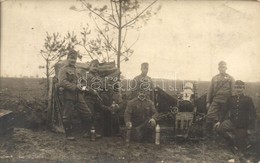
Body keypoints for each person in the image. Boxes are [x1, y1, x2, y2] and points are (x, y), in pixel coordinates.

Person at [58, 49, 92, 141]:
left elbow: (81, 81)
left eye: (75, 58)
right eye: (71, 58)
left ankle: (87, 132)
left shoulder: (77, 70)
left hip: (78, 95)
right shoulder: (63, 70)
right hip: (68, 95)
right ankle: (69, 134)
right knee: (67, 115)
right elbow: (62, 82)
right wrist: (74, 87)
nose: (73, 60)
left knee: (87, 112)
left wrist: (83, 85)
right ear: (68, 58)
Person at [216, 80, 256, 152]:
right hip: (232, 122)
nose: (239, 89)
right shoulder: (231, 99)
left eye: (240, 88)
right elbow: (224, 110)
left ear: (243, 89)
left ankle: (240, 140)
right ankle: (230, 140)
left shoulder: (248, 99)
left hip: (242, 125)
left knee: (240, 147)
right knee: (219, 128)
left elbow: (253, 114)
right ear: (234, 88)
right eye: (237, 87)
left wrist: (250, 128)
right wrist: (219, 121)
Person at [206, 61, 235, 137]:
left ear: (226, 68)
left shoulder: (230, 78)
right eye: (221, 67)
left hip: (226, 101)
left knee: (224, 117)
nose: (222, 69)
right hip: (216, 100)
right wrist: (208, 102)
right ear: (218, 68)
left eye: (224, 67)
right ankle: (209, 134)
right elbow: (210, 90)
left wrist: (233, 102)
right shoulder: (214, 78)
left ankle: (222, 134)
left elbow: (233, 91)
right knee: (210, 115)